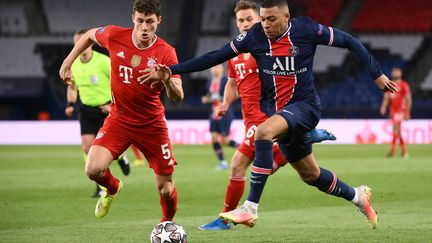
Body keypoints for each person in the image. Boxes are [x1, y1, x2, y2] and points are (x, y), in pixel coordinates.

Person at [143, 0, 397, 229]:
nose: (264, 24)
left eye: (271, 19)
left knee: (263, 133)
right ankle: (358, 197)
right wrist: (172, 70)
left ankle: (249, 208)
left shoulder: (306, 30)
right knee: (312, 175)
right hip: (281, 114)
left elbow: (351, 42)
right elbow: (215, 56)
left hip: (306, 106)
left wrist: (377, 74)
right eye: (262, 19)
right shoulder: (254, 36)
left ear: (287, 17)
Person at [198, 0, 336, 231]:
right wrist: (224, 103)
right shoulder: (237, 53)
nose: (245, 24)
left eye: (250, 19)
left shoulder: (264, 48)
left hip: (265, 116)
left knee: (238, 164)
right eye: (241, 20)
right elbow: (232, 82)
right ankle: (303, 137)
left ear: (259, 20)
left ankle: (225, 220)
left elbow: (285, 75)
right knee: (290, 170)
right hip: (248, 117)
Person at [59, 0, 183, 222]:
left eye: (150, 22)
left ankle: (167, 224)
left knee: (165, 187)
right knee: (93, 169)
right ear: (133, 19)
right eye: (140, 21)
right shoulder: (115, 35)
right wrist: (68, 61)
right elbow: (88, 35)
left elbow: (178, 96)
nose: (145, 27)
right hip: (119, 120)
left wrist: (166, 81)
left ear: (159, 21)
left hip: (152, 125)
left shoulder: (166, 53)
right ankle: (113, 187)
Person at [65, 29, 130, 198]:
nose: (79, 47)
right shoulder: (74, 65)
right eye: (76, 44)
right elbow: (72, 87)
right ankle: (101, 186)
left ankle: (121, 156)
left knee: (107, 149)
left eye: (82, 43)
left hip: (107, 110)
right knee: (87, 148)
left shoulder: (103, 61)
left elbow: (119, 82)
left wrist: (112, 104)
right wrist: (71, 103)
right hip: (86, 110)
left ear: (90, 44)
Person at [201, 64, 239, 170]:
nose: (214, 69)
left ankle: (246, 150)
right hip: (213, 113)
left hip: (225, 112)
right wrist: (206, 99)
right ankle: (222, 162)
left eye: (217, 67)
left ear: (222, 69)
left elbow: (236, 93)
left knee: (224, 140)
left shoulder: (226, 80)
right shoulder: (209, 80)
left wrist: (223, 100)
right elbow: (210, 95)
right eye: (213, 67)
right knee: (213, 137)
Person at [380, 67, 412, 158]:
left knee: (396, 129)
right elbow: (386, 98)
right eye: (394, 72)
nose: (395, 73)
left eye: (397, 72)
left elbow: (408, 99)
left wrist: (407, 112)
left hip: (401, 110)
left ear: (400, 73)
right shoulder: (390, 84)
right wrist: (383, 106)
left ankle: (393, 152)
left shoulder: (404, 85)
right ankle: (404, 152)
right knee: (398, 131)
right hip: (393, 110)